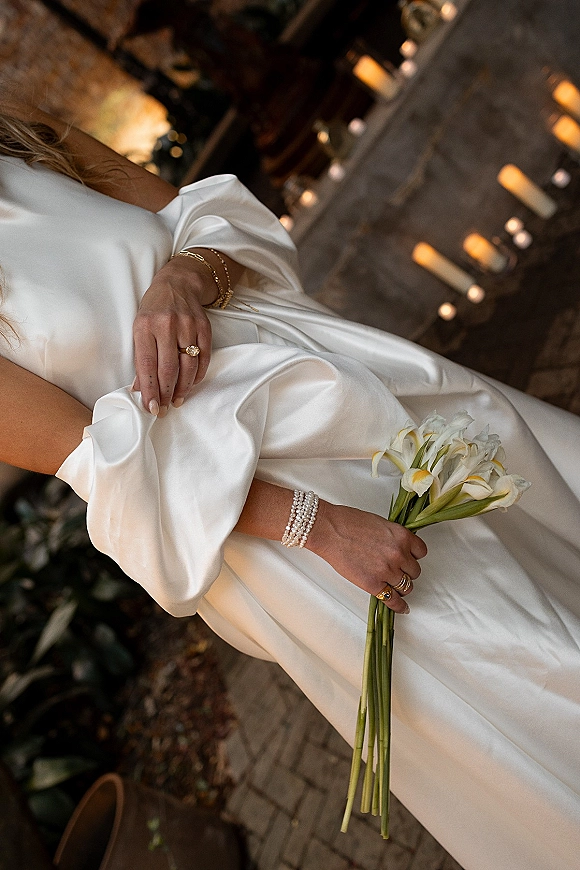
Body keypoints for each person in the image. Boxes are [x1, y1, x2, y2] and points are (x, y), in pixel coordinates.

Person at [0, 103, 579, 870]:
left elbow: (205, 220)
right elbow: (110, 476)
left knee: (545, 537)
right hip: (274, 525)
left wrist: (184, 274)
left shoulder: (23, 134)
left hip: (351, 397)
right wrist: (323, 526)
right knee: (522, 667)